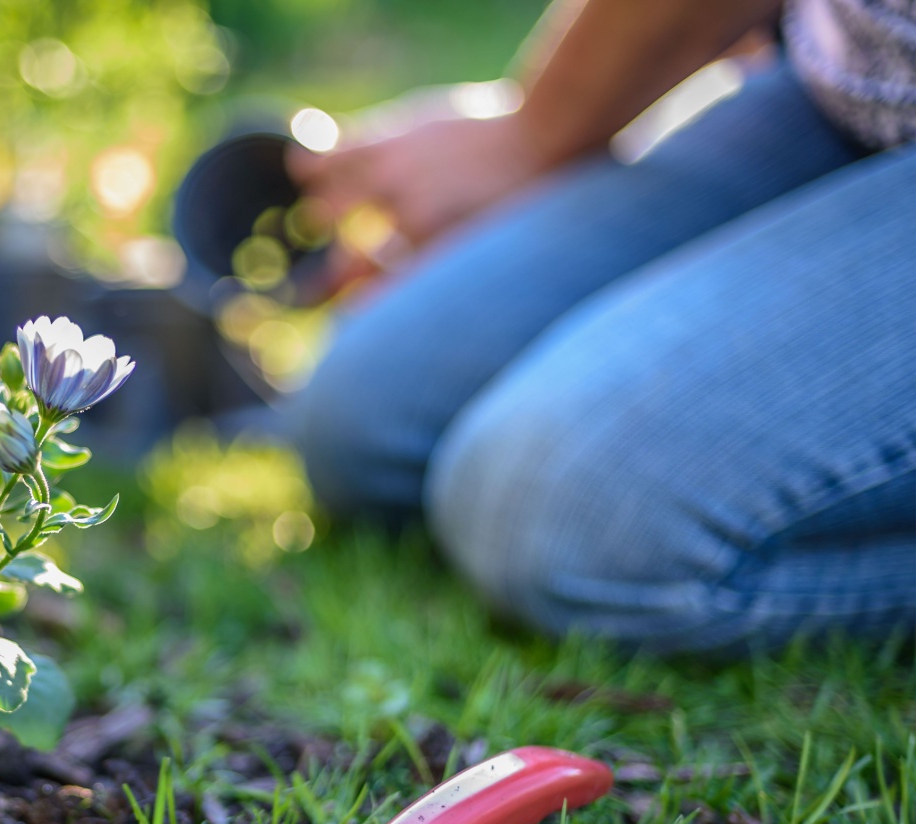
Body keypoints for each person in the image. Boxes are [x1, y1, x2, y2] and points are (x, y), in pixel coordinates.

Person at [283, 0, 916, 655]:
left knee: (564, 519)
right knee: (364, 416)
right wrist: (528, 139)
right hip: (841, 90)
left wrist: (532, 139)